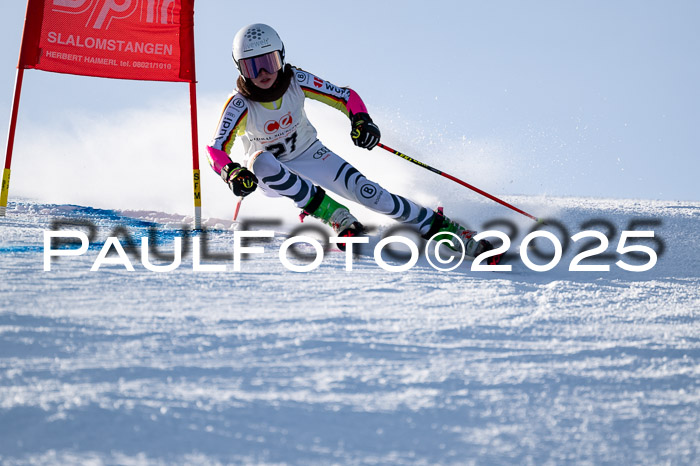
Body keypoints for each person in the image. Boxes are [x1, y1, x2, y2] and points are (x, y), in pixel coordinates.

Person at [206, 23, 500, 262]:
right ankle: (338, 218)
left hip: (311, 154)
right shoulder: (239, 103)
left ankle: (456, 236)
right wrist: (232, 172)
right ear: (239, 69)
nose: (263, 74)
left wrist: (361, 121)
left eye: (269, 62)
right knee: (260, 160)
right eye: (251, 67)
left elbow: (345, 96)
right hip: (271, 175)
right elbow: (215, 149)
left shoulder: (295, 80)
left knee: (375, 196)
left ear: (281, 57)